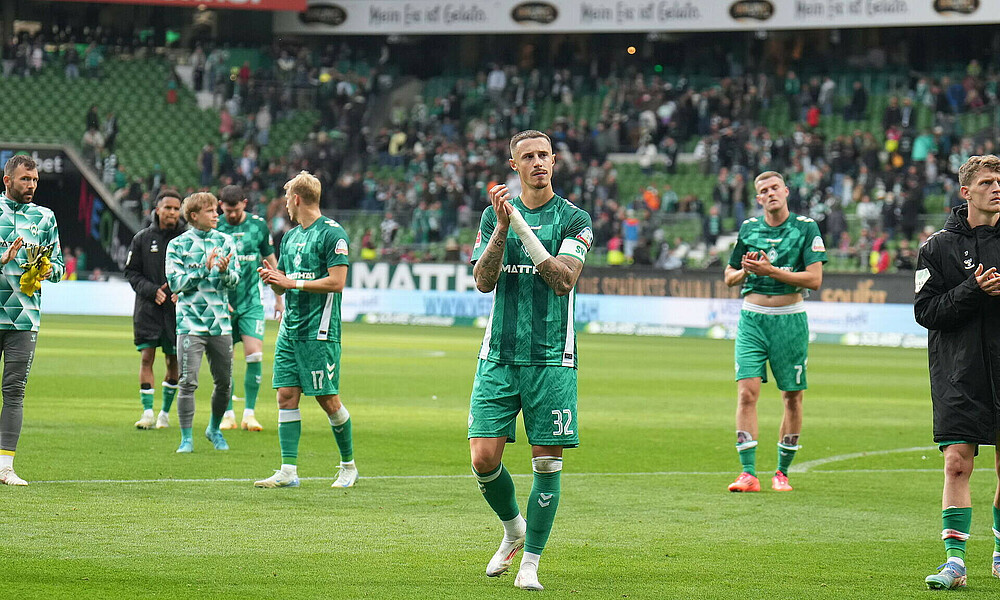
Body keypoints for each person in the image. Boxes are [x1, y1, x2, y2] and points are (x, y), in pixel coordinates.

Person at [468, 130, 593, 591]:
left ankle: (531, 563)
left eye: (544, 155)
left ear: (554, 161)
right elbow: (483, 281)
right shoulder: (492, 216)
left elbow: (563, 281)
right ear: (514, 165)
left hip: (552, 359)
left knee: (546, 465)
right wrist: (504, 227)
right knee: (483, 459)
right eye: (528, 156)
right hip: (499, 355)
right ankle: (514, 529)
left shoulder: (574, 219)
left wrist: (520, 226)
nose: (538, 162)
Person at [915, 155, 1000, 590]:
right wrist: (974, 289)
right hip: (957, 372)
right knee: (956, 463)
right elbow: (926, 311)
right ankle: (955, 563)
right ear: (966, 192)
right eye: (987, 182)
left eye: (999, 181)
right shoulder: (936, 248)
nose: (996, 187)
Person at [723, 171, 826, 493]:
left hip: (789, 319)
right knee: (746, 392)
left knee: (792, 397)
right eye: (763, 190)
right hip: (752, 318)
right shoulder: (749, 228)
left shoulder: (806, 228)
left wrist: (771, 271)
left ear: (786, 191)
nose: (770, 193)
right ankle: (748, 473)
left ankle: (782, 472)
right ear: (758, 198)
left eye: (774, 188)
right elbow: (728, 275)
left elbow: (814, 279)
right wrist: (745, 272)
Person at [253, 171, 358, 489]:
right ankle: (288, 470)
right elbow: (283, 283)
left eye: (287, 198)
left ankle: (348, 466)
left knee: (327, 398)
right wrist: (273, 280)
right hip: (290, 329)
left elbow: (337, 282)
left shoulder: (332, 234)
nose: (285, 204)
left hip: (319, 331)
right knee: (285, 396)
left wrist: (290, 282)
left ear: (296, 198)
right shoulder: (290, 237)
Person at [0, 155, 65, 485]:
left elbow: (60, 268)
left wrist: (48, 269)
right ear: (7, 180)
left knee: (14, 393)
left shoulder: (45, 217)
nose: (32, 185)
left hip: (24, 318)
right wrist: (2, 259)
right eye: (25, 179)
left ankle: (5, 467)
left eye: (35, 180)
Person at [165, 192, 239, 453]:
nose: (217, 215)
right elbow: (176, 283)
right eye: (210, 211)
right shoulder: (178, 245)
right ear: (194, 215)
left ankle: (214, 429)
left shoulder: (225, 241)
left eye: (216, 210)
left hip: (220, 324)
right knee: (187, 382)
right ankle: (186, 438)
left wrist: (224, 273)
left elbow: (235, 280)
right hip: (190, 325)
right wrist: (204, 270)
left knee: (225, 383)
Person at [216, 185, 283, 432]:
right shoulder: (214, 227)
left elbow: (270, 260)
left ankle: (249, 414)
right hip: (222, 304)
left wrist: (279, 297)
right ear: (220, 206)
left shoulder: (258, 226)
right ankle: (227, 414)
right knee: (224, 360)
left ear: (244, 203)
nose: (232, 215)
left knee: (254, 354)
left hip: (252, 302)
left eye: (236, 209)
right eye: (227, 210)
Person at [124, 189, 184, 430]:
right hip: (148, 309)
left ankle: (165, 414)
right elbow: (131, 272)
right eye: (167, 207)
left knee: (173, 361)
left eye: (176, 208)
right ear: (157, 209)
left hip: (176, 311)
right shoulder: (142, 239)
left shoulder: (186, 239)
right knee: (147, 357)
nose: (172, 212)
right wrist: (152, 290)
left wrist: (181, 290)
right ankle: (147, 412)